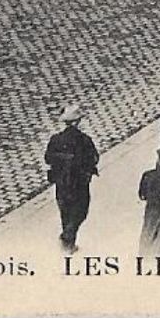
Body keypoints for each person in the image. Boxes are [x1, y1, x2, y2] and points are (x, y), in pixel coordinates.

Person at [45, 105, 99, 254]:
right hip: (79, 182)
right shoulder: (84, 140)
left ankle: (69, 243)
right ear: (77, 122)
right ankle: (67, 237)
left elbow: (48, 158)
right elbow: (94, 158)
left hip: (61, 182)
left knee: (65, 211)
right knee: (80, 211)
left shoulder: (56, 139)